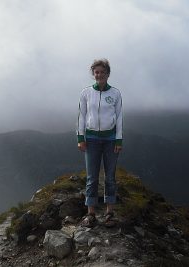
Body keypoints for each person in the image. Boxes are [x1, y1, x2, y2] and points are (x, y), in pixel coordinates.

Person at [77, 58, 123, 227]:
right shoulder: (86, 93)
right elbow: (81, 116)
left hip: (110, 140)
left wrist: (119, 139)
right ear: (93, 74)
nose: (99, 75)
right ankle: (91, 214)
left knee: (110, 177)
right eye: (96, 72)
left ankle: (110, 213)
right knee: (92, 177)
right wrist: (80, 138)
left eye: (103, 72)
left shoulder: (115, 93)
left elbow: (119, 117)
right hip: (92, 139)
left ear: (108, 74)